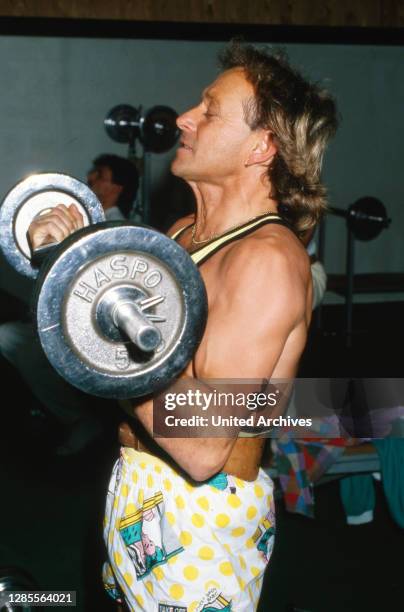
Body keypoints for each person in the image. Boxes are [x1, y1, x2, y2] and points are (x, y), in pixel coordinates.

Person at [28, 43, 337, 610]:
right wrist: (68, 255)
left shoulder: (267, 259)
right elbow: (108, 347)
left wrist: (84, 285)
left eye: (209, 110)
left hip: (200, 513)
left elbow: (200, 445)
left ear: (261, 147)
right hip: (135, 485)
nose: (183, 119)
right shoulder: (180, 233)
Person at [0, 154, 139, 455]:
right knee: (9, 334)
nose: (91, 179)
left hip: (94, 335)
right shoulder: (86, 221)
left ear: (118, 187)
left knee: (10, 338)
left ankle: (81, 420)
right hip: (64, 324)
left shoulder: (121, 228)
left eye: (100, 174)